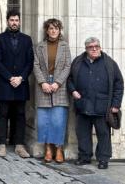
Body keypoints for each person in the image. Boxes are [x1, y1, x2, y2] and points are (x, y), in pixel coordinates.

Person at [68, 37, 124, 170]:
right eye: (91, 47)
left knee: (103, 134)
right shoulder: (78, 62)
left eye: (97, 46)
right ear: (86, 49)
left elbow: (119, 84)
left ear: (100, 47)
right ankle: (84, 157)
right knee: (82, 133)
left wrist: (116, 104)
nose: (94, 49)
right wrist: (73, 91)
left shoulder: (110, 63)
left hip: (102, 107)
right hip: (83, 104)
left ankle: (103, 159)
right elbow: (69, 79)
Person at [0, 10, 34, 158]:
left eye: (16, 20)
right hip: (5, 83)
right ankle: (2, 144)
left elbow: (30, 62)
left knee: (20, 115)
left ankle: (19, 145)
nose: (14, 22)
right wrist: (10, 77)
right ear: (7, 21)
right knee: (2, 114)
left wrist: (21, 78)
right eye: (12, 20)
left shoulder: (27, 39)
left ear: (20, 21)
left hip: (21, 84)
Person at [33, 18, 71, 163]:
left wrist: (58, 82)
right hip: (43, 84)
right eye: (50, 28)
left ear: (59, 30)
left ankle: (59, 148)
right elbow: (35, 65)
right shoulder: (40, 46)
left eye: (56, 28)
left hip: (59, 86)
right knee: (44, 120)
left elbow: (68, 66)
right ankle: (48, 148)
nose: (53, 31)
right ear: (47, 30)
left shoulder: (64, 46)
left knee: (58, 119)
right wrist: (42, 82)